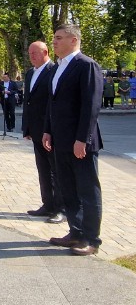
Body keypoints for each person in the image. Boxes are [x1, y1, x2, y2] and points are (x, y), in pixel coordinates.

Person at [44, 23, 104, 256]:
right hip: (60, 140)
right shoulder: (58, 67)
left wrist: (83, 139)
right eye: (54, 38)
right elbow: (54, 103)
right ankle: (75, 232)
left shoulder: (86, 66)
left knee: (88, 191)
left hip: (80, 143)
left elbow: (91, 106)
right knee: (68, 189)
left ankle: (91, 239)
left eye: (59, 38)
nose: (55, 42)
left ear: (74, 40)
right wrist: (48, 130)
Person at [21, 41, 64, 224]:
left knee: (56, 171)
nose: (31, 56)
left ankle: (60, 208)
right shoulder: (30, 73)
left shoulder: (54, 71)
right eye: (30, 53)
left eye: (35, 53)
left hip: (50, 131)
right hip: (36, 130)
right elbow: (27, 102)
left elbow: (53, 103)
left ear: (45, 52)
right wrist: (27, 127)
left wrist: (50, 129)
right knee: (43, 170)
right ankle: (47, 204)